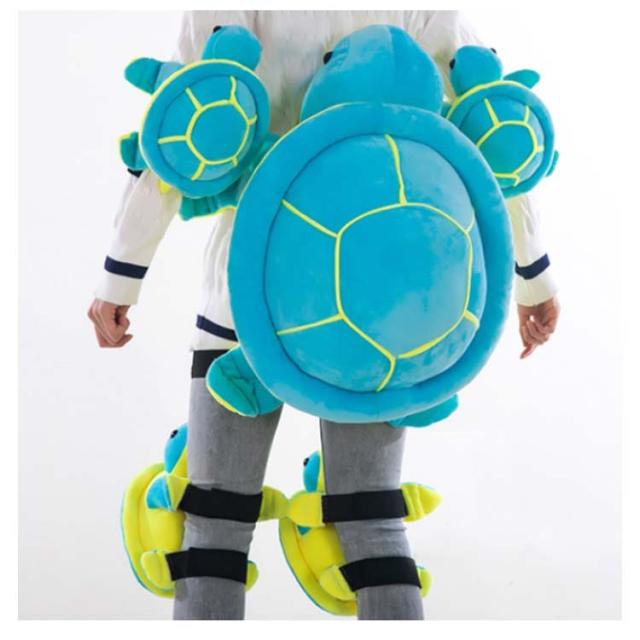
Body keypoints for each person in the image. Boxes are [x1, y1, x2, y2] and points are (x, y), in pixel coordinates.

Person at [87, 10, 560, 620]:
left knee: (214, 524)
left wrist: (121, 278)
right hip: (388, 315)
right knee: (373, 522)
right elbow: (491, 131)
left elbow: (175, 135)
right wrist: (532, 277)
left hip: (246, 297)